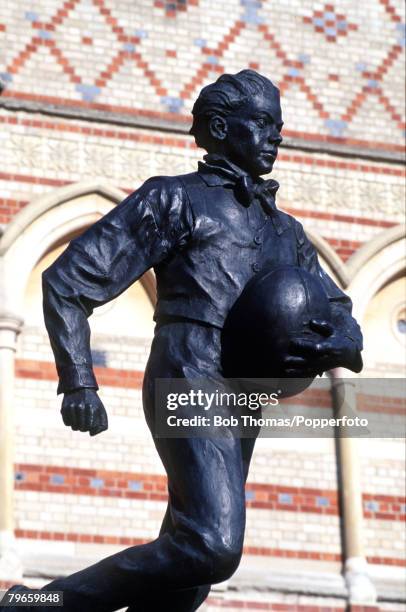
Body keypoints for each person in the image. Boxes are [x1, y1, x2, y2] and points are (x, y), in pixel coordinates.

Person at [1, 70, 362, 612]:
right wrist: (79, 380)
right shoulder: (173, 199)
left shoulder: (286, 231)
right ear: (220, 127)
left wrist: (340, 345)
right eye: (263, 123)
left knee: (188, 575)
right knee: (212, 545)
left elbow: (341, 315)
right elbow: (68, 282)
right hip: (188, 368)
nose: (277, 137)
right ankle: (40, 603)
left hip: (247, 389)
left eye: (280, 127)